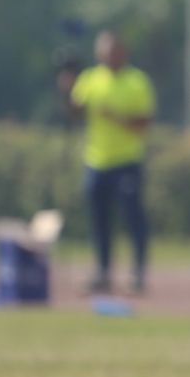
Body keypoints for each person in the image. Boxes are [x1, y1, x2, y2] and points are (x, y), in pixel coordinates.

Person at [65, 31, 155, 295]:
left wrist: (116, 117)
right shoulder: (90, 79)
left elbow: (144, 123)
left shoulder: (137, 81)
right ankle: (103, 273)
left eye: (114, 51)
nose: (110, 56)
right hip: (96, 160)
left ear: (123, 52)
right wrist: (67, 89)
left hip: (127, 161)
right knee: (99, 220)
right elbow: (75, 112)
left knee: (132, 217)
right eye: (105, 51)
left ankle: (138, 272)